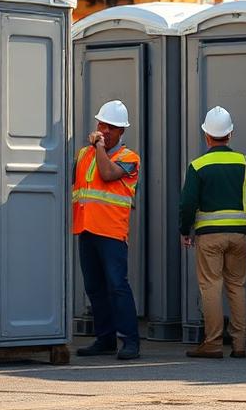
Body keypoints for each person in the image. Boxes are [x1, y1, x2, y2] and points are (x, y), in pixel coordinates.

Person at [179, 106, 246, 359]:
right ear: (230, 134)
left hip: (209, 236)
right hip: (239, 235)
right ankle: (240, 344)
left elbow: (187, 203)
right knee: (236, 286)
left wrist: (185, 230)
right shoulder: (245, 162)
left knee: (211, 286)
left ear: (206, 135)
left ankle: (213, 343)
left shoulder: (198, 165)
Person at [72, 100, 141, 360]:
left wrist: (99, 146)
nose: (105, 131)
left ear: (122, 131)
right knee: (94, 287)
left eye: (111, 127)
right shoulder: (83, 154)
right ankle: (105, 338)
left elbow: (107, 173)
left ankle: (130, 341)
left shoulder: (129, 158)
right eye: (102, 125)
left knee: (117, 286)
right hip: (86, 228)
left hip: (112, 232)